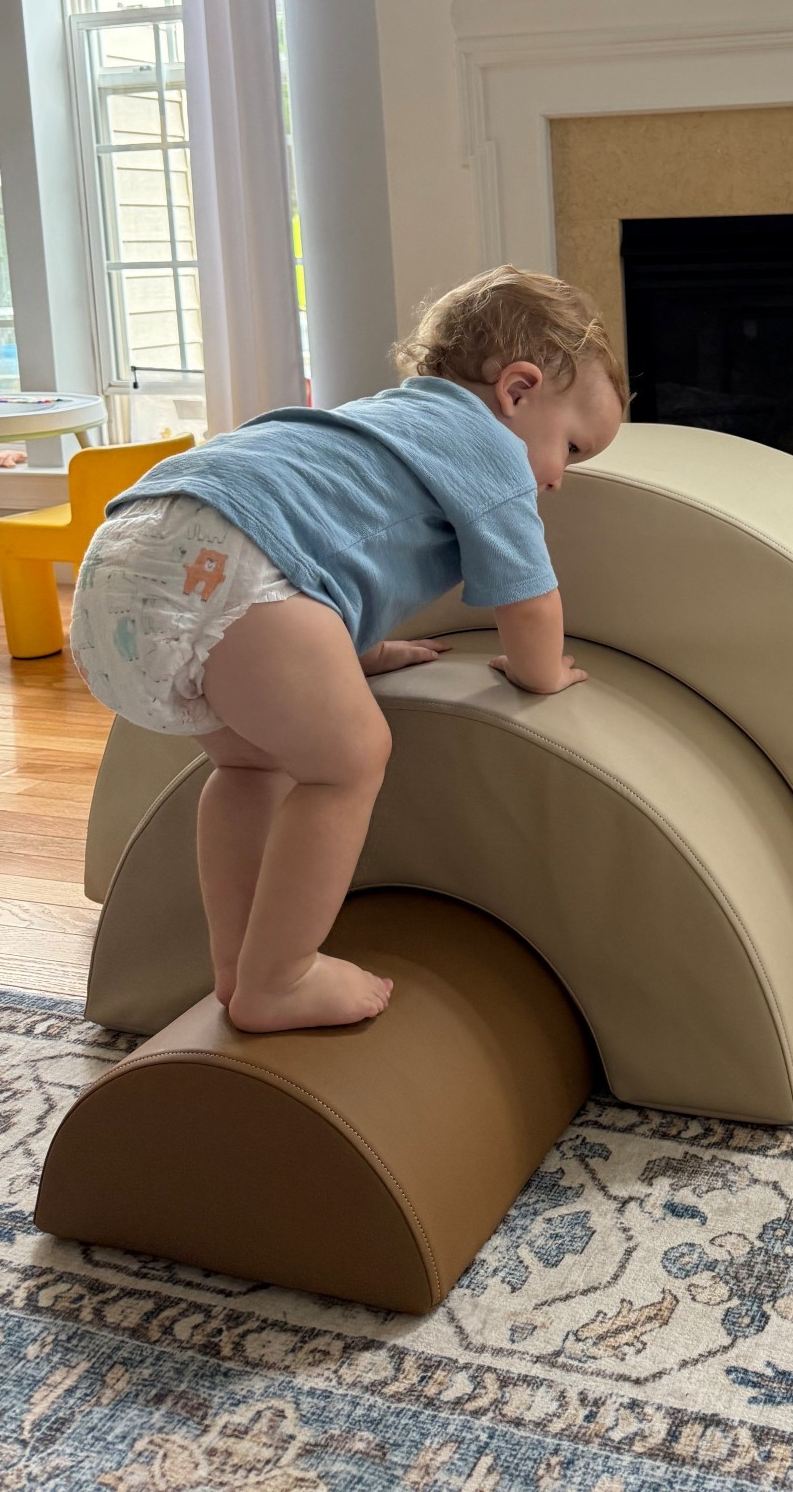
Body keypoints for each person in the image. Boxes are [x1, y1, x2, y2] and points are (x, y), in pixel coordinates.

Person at [70, 267, 626, 1034]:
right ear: (518, 391)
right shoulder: (488, 447)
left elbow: (320, 552)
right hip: (233, 561)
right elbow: (529, 598)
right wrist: (543, 673)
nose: (561, 478)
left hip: (129, 559)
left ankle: (238, 966)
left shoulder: (375, 423)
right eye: (572, 446)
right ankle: (281, 977)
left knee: (247, 765)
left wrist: (355, 655)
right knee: (351, 761)